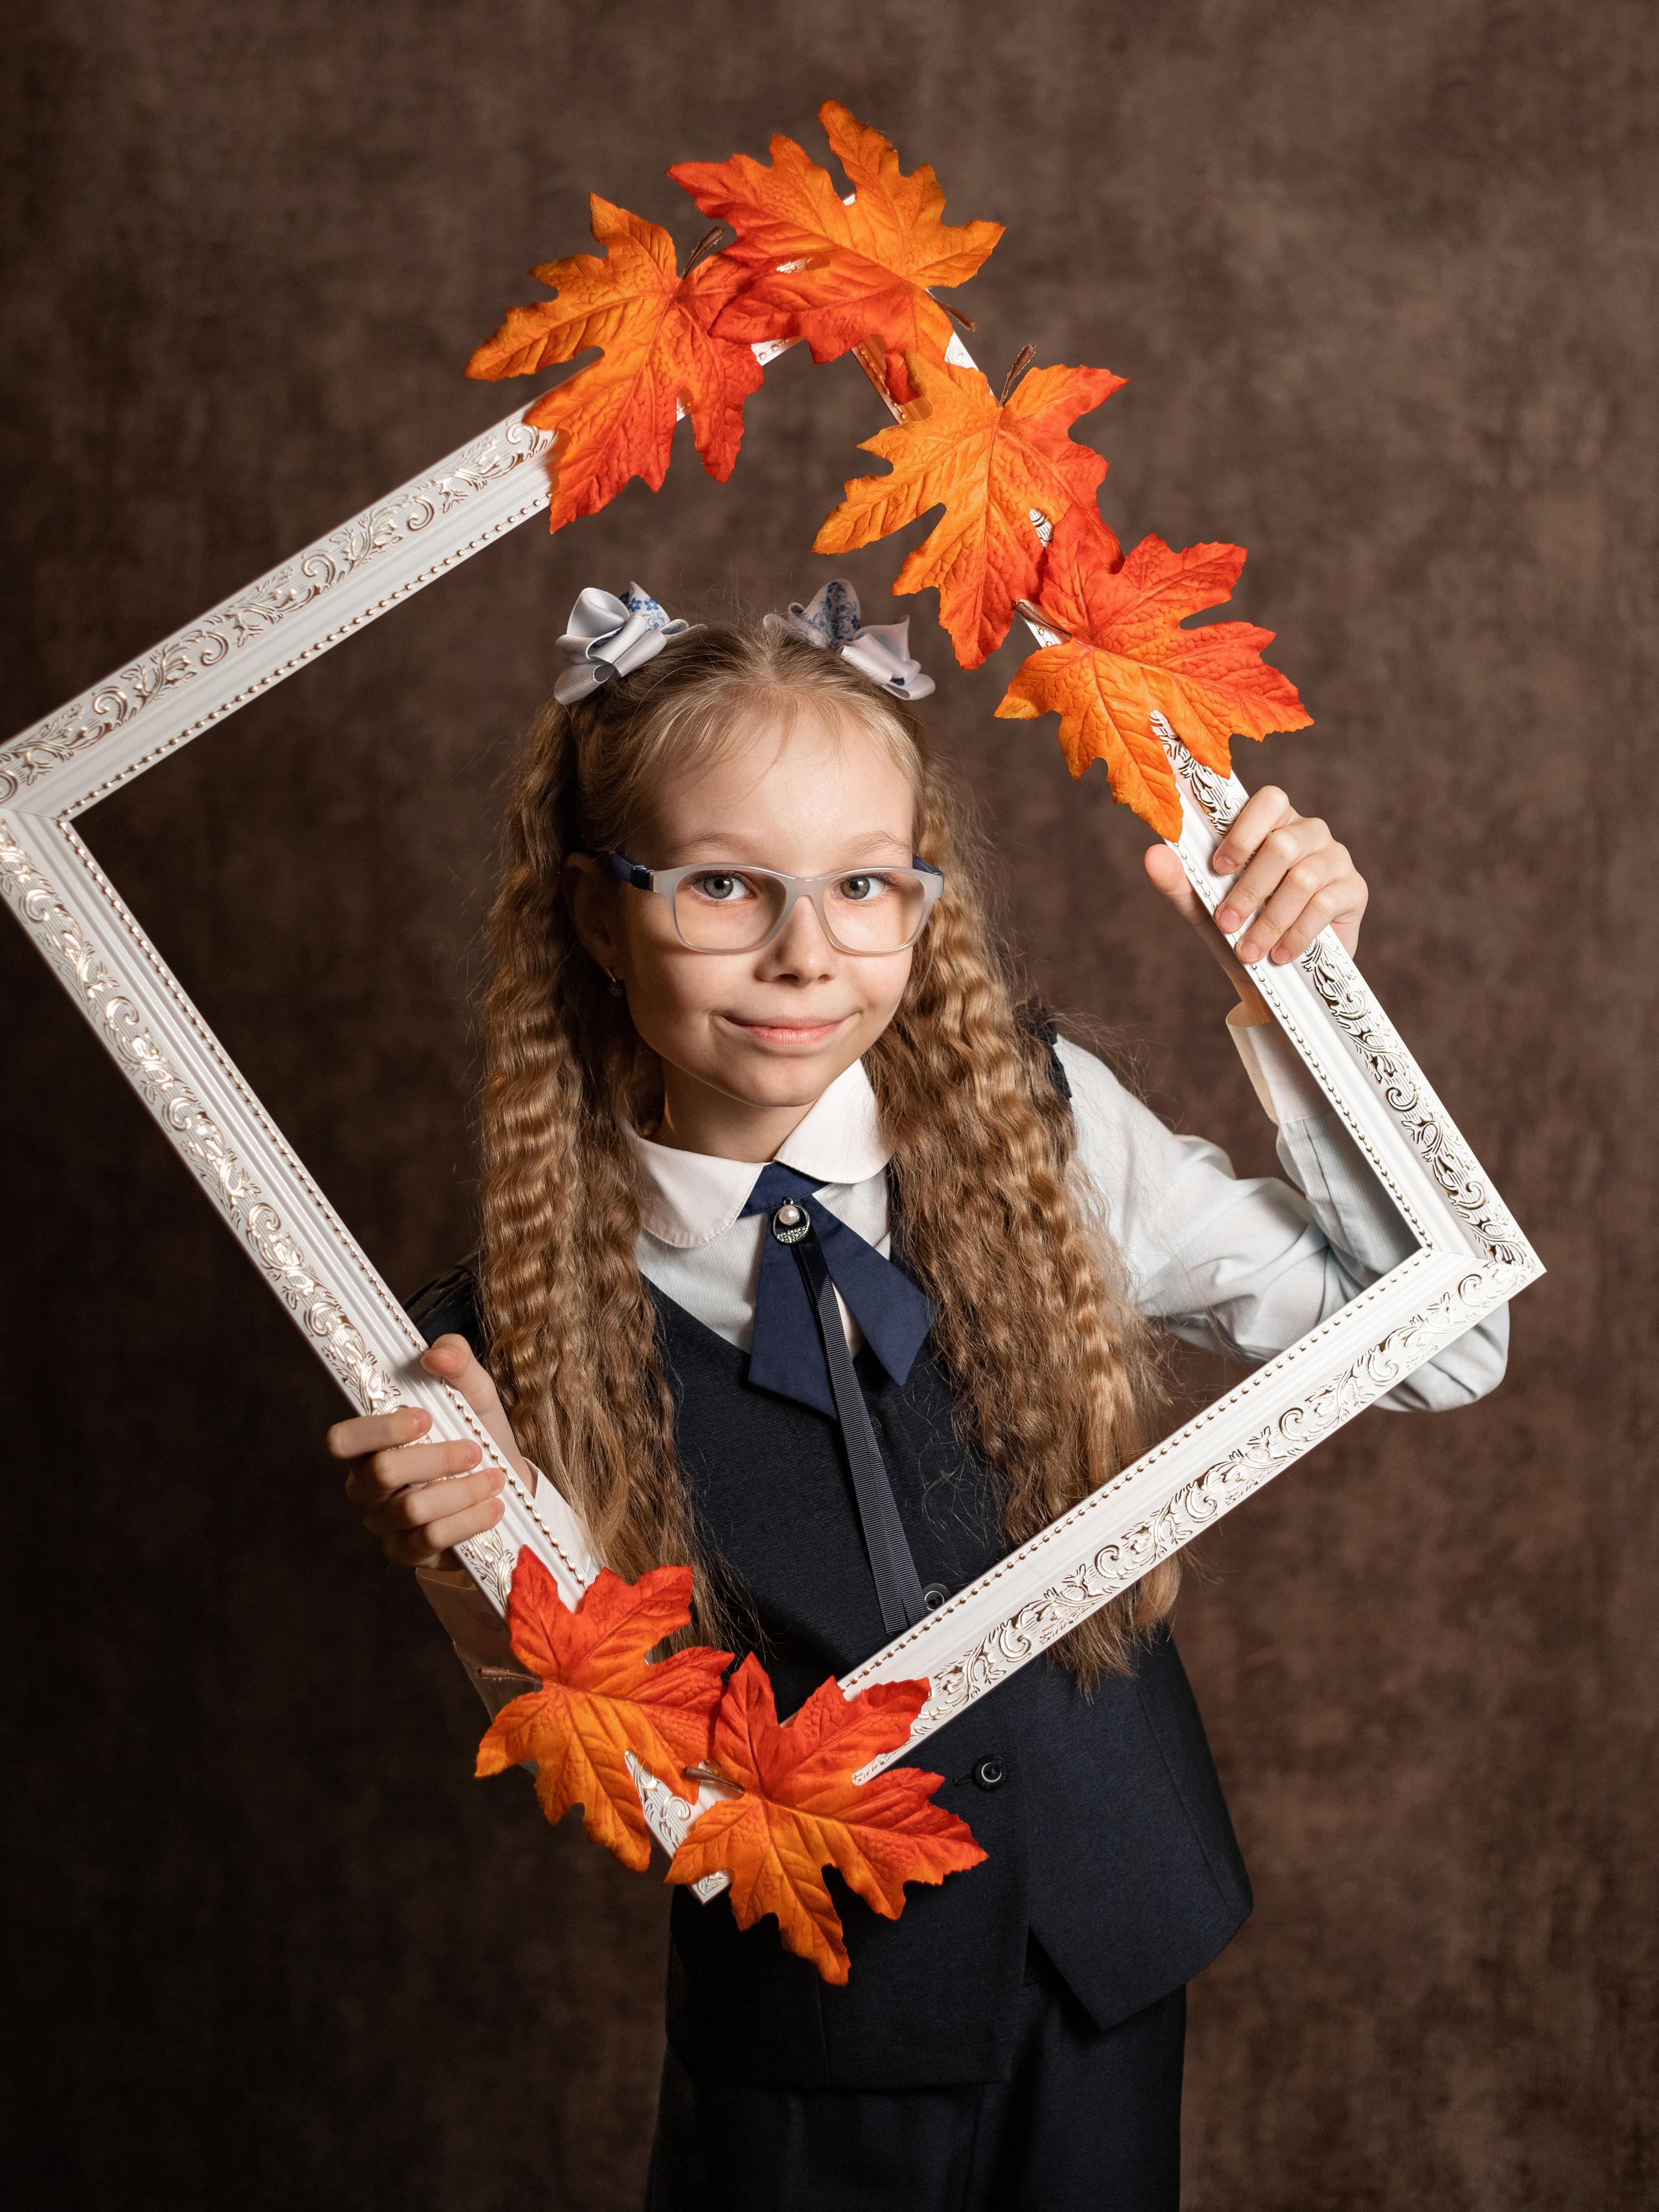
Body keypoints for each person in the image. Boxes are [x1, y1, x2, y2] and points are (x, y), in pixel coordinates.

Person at [327, 586, 1507, 2211]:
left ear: (917, 902)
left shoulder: (1042, 1127)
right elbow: (636, 1790)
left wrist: (1307, 1009)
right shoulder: (501, 1339)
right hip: (816, 2022)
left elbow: (1442, 1346)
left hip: (1112, 1935)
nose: (806, 952)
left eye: (863, 884)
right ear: (599, 915)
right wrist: (463, 1580)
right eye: (726, 886)